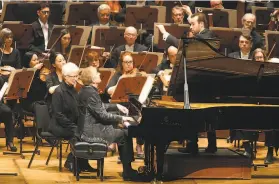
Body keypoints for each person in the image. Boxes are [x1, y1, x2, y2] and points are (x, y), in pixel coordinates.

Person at [78, 66, 140, 180]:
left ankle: (128, 169)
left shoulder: (86, 90)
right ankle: (128, 171)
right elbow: (103, 115)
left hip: (87, 128)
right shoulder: (91, 93)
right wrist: (122, 119)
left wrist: (116, 105)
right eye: (96, 73)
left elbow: (98, 107)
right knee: (124, 134)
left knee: (122, 131)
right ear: (92, 79)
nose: (99, 74)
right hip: (92, 132)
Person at [48, 62, 95, 172]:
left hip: (70, 124)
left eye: (76, 76)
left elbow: (77, 109)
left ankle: (83, 162)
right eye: (72, 76)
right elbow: (58, 115)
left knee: (87, 132)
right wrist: (74, 127)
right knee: (77, 134)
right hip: (59, 126)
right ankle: (71, 161)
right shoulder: (58, 92)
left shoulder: (74, 90)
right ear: (65, 77)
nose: (75, 78)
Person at [106, 51, 145, 158]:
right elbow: (108, 90)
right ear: (121, 63)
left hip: (134, 103)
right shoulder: (118, 74)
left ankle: (139, 146)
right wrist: (121, 81)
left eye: (131, 62)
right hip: (121, 103)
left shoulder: (137, 74)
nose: (129, 64)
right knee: (116, 111)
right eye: (126, 62)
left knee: (143, 114)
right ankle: (118, 145)